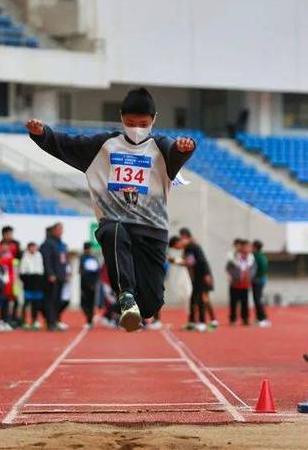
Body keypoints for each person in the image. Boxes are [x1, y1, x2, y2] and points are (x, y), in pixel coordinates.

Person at [28, 87, 195, 332]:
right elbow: (67, 144)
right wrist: (42, 134)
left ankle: (136, 303)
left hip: (152, 230)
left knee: (150, 305)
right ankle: (125, 295)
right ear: (121, 117)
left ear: (154, 120)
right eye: (130, 122)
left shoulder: (161, 145)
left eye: (143, 123)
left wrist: (183, 150)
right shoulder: (103, 145)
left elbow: (174, 157)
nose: (136, 128)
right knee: (111, 231)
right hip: (115, 222)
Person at [180, 228, 213, 332]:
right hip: (196, 277)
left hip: (201, 276)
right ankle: (192, 321)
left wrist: (207, 274)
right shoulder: (189, 247)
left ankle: (203, 322)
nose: (181, 240)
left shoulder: (193, 247)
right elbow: (190, 262)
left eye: (182, 238)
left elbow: (202, 261)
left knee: (200, 299)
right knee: (194, 298)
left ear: (186, 237)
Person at [40, 224, 67, 331]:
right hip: (52, 277)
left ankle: (56, 320)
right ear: (53, 230)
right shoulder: (47, 244)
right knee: (50, 301)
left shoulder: (61, 244)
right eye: (59, 229)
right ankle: (50, 322)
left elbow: (63, 261)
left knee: (57, 301)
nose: (61, 232)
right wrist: (50, 274)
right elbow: (46, 260)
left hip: (60, 276)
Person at [226, 240, 256, 326]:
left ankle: (245, 319)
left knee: (245, 302)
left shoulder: (251, 258)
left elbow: (254, 269)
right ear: (241, 247)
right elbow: (228, 268)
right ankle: (233, 319)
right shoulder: (234, 257)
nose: (246, 248)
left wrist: (250, 276)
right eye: (245, 246)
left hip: (245, 283)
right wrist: (232, 276)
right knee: (233, 302)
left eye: (248, 247)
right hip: (235, 283)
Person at [19, 242, 45, 329]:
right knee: (26, 304)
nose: (33, 249)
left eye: (34, 247)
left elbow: (41, 270)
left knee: (36, 304)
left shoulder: (39, 256)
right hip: (28, 283)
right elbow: (22, 272)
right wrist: (26, 281)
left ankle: (34, 321)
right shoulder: (25, 257)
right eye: (31, 248)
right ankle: (24, 321)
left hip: (37, 283)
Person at [79, 242, 100, 327]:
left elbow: (96, 272)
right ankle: (89, 318)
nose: (89, 250)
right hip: (84, 283)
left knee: (90, 302)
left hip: (91, 283)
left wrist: (94, 283)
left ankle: (89, 320)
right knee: (84, 302)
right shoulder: (83, 258)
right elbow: (81, 270)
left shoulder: (93, 258)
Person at [251, 240, 271, 327]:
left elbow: (262, 269)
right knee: (256, 299)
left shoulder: (258, 257)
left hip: (258, 281)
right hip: (258, 280)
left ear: (255, 247)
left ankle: (263, 318)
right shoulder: (260, 256)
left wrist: (254, 277)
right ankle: (259, 318)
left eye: (252, 247)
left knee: (258, 299)